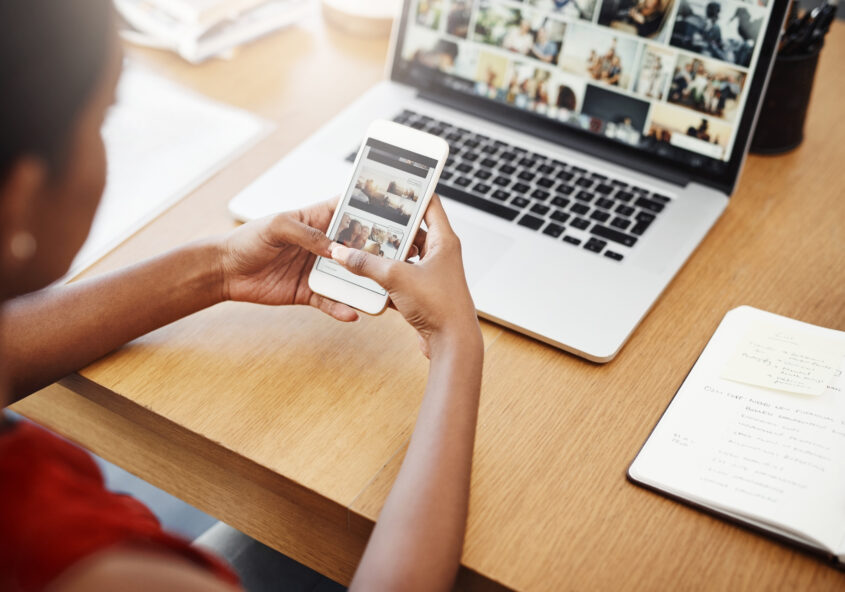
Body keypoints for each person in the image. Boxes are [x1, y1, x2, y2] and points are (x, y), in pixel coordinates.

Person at [0, 2, 484, 591]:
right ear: (21, 200)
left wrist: (221, 267)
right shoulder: (80, 564)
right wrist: (456, 343)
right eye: (103, 119)